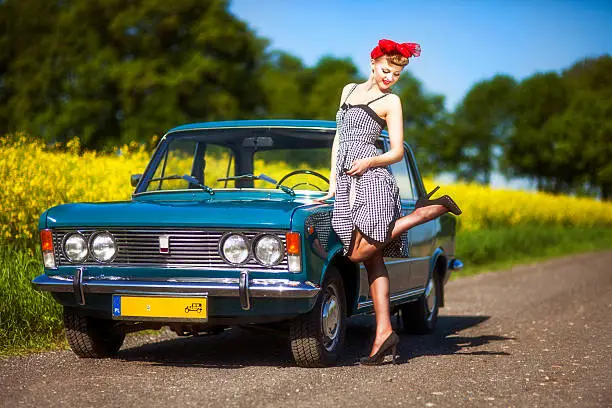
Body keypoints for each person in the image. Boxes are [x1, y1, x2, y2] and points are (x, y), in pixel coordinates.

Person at [314, 39, 462, 365]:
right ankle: (384, 334)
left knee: (355, 253)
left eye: (396, 74)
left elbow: (396, 151)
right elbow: (339, 138)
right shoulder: (348, 90)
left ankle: (422, 214)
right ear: (373, 62)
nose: (390, 77)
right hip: (347, 182)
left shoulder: (391, 101)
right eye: (386, 69)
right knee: (373, 261)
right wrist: (332, 181)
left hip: (373, 181)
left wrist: (368, 163)